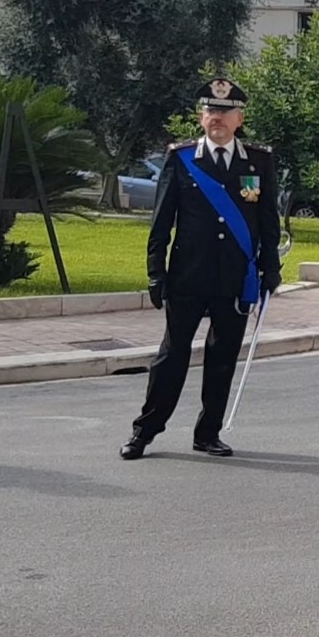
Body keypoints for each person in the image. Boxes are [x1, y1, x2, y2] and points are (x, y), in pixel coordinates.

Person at [121, 78, 282, 460]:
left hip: (235, 277)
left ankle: (208, 433)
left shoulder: (259, 161)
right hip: (188, 276)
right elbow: (161, 223)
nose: (218, 119)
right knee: (172, 356)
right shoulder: (182, 158)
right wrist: (155, 273)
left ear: (239, 118)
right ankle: (145, 431)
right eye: (211, 111)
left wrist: (269, 268)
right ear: (200, 116)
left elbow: (267, 220)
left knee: (223, 356)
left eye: (225, 113)